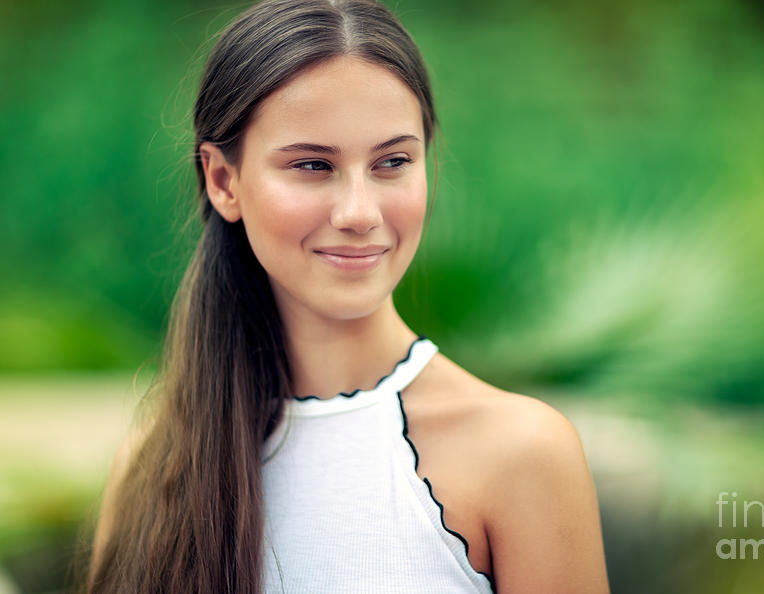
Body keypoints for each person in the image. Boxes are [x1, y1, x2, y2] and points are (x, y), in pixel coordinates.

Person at [86, 0, 610, 592]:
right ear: (223, 181)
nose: (360, 213)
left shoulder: (522, 454)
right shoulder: (156, 465)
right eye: (313, 165)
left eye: (392, 162)